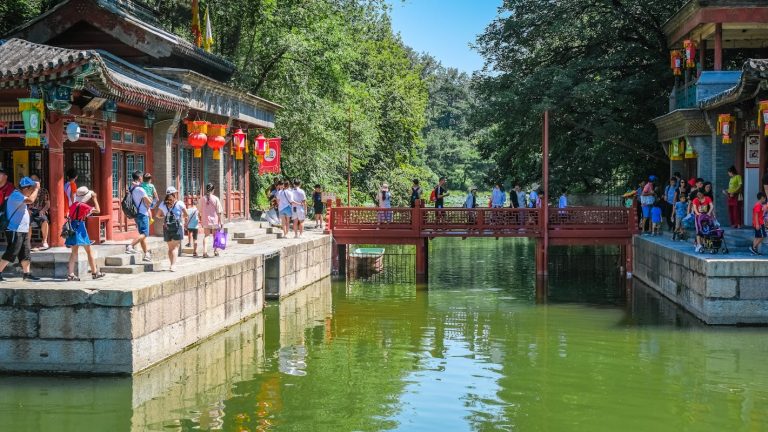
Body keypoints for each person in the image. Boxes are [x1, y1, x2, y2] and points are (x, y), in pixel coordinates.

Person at [0, 177, 41, 281]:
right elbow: (31, 200)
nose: (32, 192)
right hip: (14, 229)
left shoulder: (20, 195)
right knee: (12, 251)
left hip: (23, 229)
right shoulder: (16, 195)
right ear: (26, 188)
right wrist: (36, 189)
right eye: (31, 189)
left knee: (25, 252)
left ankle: (26, 274)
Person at [65, 187, 104, 281]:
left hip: (73, 227)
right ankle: (95, 272)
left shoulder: (74, 204)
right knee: (89, 251)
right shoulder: (83, 206)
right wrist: (95, 199)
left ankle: (70, 274)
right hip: (80, 227)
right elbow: (98, 210)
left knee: (74, 252)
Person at [157, 187, 188, 271]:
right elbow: (186, 214)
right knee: (175, 248)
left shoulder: (163, 204)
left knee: (170, 248)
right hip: (177, 227)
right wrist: (180, 217)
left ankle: (171, 264)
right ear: (174, 194)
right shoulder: (179, 203)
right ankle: (173, 265)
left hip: (167, 227)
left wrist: (165, 216)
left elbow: (158, 215)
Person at [125, 171, 153, 262]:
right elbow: (149, 202)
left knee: (142, 235)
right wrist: (151, 199)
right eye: (141, 177)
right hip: (143, 213)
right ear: (140, 178)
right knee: (145, 234)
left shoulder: (131, 188)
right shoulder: (141, 189)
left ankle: (146, 254)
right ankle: (130, 246)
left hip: (136, 214)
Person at [200, 183, 224, 257]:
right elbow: (219, 211)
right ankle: (216, 251)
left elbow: (200, 210)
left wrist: (201, 218)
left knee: (206, 236)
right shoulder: (215, 198)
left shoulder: (202, 199)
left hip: (206, 220)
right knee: (215, 235)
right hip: (214, 220)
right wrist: (221, 221)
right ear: (213, 190)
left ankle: (204, 252)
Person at [28, 174, 50, 251]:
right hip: (29, 211)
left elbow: (47, 204)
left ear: (39, 181)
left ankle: (44, 241)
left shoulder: (44, 191)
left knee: (44, 220)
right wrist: (27, 210)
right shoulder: (27, 190)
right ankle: (28, 242)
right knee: (27, 221)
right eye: (32, 180)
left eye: (36, 180)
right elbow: (23, 202)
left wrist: (43, 210)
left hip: (40, 210)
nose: (34, 181)